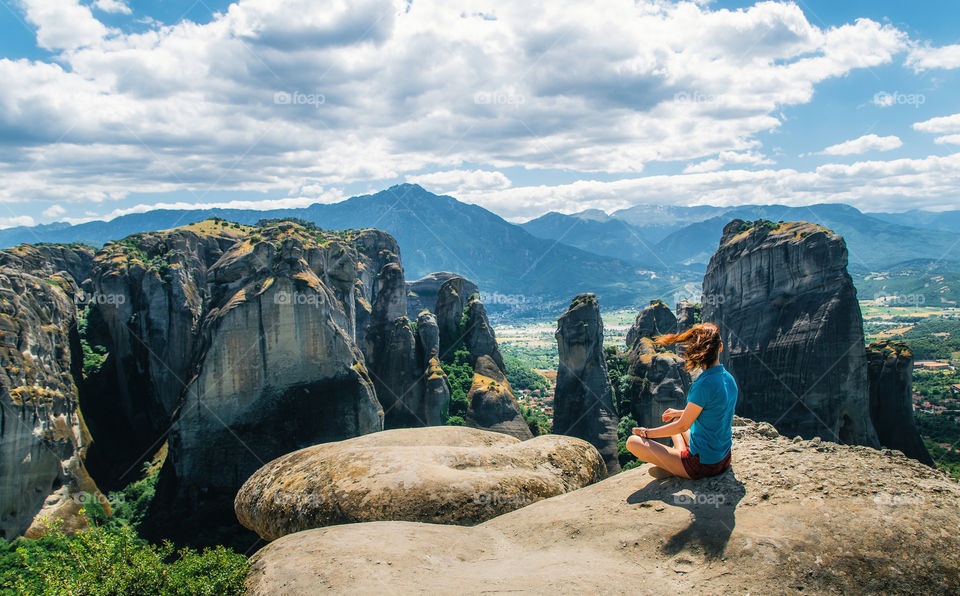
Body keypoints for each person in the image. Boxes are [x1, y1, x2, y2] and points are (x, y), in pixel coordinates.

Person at [624, 322, 737, 479]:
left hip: (702, 465)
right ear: (721, 347)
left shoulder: (703, 384)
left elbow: (683, 426)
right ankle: (674, 463)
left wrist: (647, 433)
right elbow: (716, 409)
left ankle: (675, 465)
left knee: (632, 442)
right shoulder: (728, 379)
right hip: (723, 457)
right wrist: (681, 412)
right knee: (676, 420)